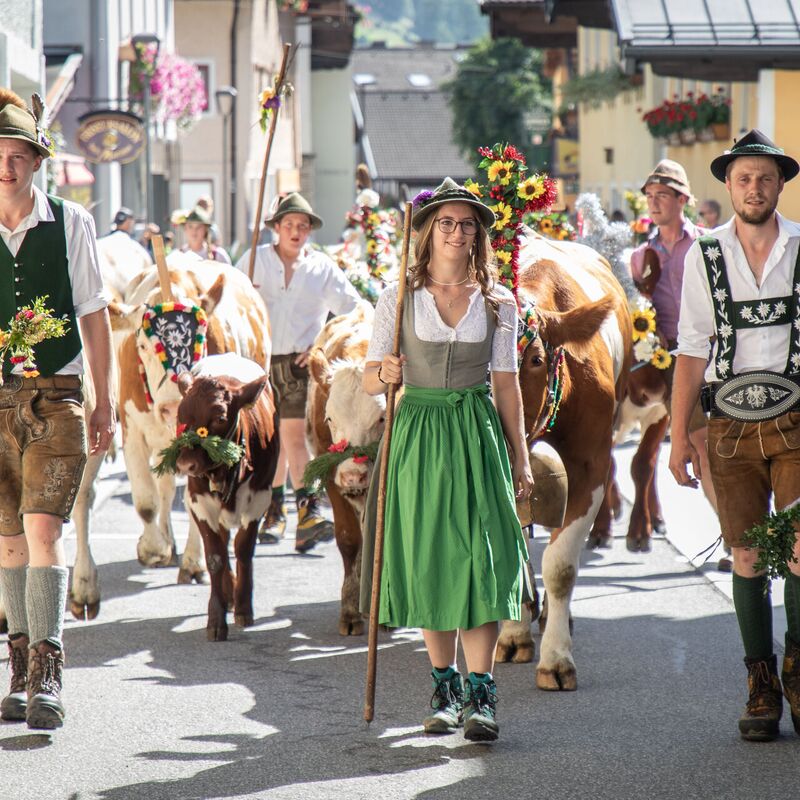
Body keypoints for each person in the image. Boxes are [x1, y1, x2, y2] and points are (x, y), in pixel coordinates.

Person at [360, 178, 533, 742]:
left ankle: (481, 695)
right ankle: (444, 688)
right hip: (420, 433)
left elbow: (506, 385)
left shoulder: (498, 300)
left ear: (478, 233)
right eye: (446, 222)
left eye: (466, 224)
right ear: (428, 231)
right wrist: (383, 373)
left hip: (477, 431)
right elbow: (368, 378)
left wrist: (521, 458)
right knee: (434, 556)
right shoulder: (398, 297)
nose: (457, 232)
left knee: (480, 559)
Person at [669, 129, 800, 742]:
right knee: (746, 555)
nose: (755, 188)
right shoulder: (706, 254)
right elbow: (692, 349)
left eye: (765, 178)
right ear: (729, 184)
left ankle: (797, 669)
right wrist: (677, 436)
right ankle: (760, 682)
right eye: (744, 178)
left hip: (798, 418)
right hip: (727, 427)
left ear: (780, 184)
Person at [0, 88, 115, 729]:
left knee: (44, 529)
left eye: (18, 156)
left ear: (37, 162)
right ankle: (17, 670)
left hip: (57, 395)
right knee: (8, 538)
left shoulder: (71, 222)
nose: (6, 167)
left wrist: (104, 401)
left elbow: (94, 314)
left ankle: (48, 674)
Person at [236, 192, 362, 552]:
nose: (295, 231)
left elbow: (354, 308)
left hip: (297, 365)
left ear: (309, 231)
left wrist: (321, 344)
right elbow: (236, 301)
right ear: (276, 228)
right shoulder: (253, 260)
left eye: (302, 226)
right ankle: (275, 511)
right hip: (257, 363)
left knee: (292, 437)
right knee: (269, 443)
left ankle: (307, 511)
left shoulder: (321, 268)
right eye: (288, 225)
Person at [630, 160, 719, 516]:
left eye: (662, 195)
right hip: (666, 360)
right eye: (650, 196)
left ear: (682, 198)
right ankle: (733, 536)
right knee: (699, 445)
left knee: (708, 446)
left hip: (712, 355)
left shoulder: (706, 244)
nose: (654, 203)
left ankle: (735, 537)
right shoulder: (640, 256)